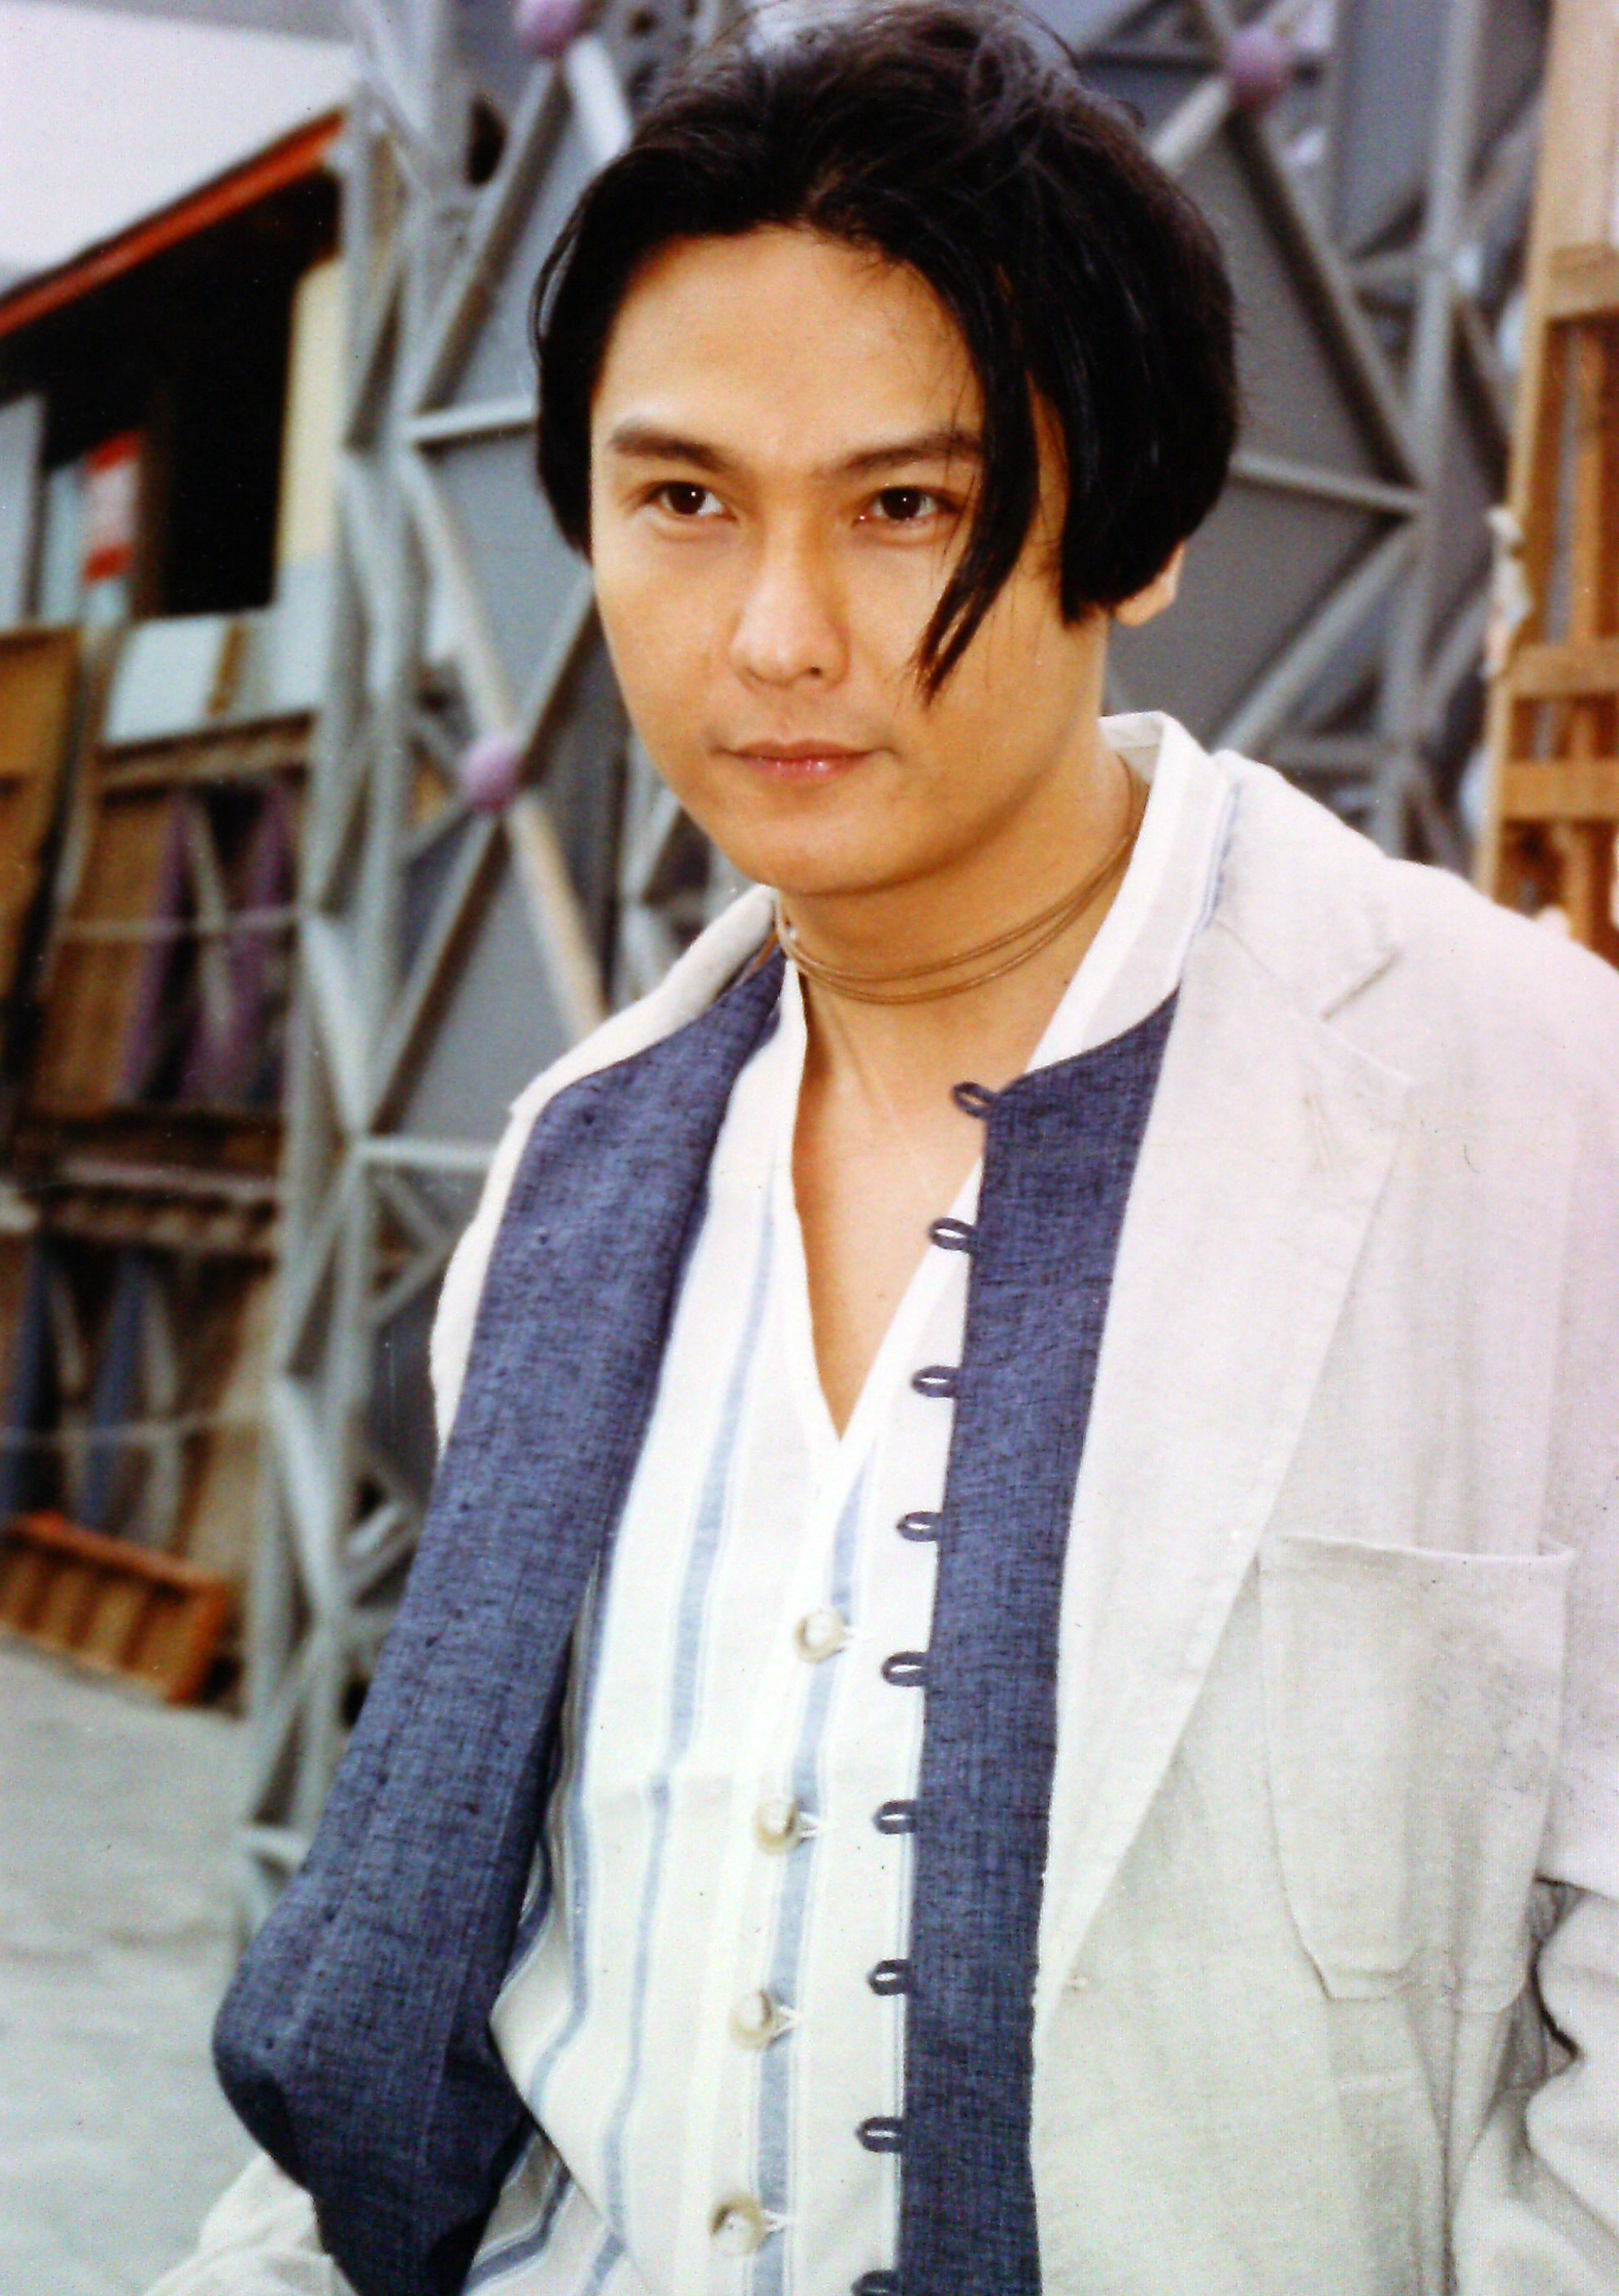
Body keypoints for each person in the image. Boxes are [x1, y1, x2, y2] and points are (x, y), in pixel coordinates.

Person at [154, 6, 1619, 2294]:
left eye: (908, 506)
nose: (774, 636)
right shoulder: (580, 1166)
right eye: (683, 501)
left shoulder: (1531, 1109)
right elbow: (455, 1946)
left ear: (1139, 530)